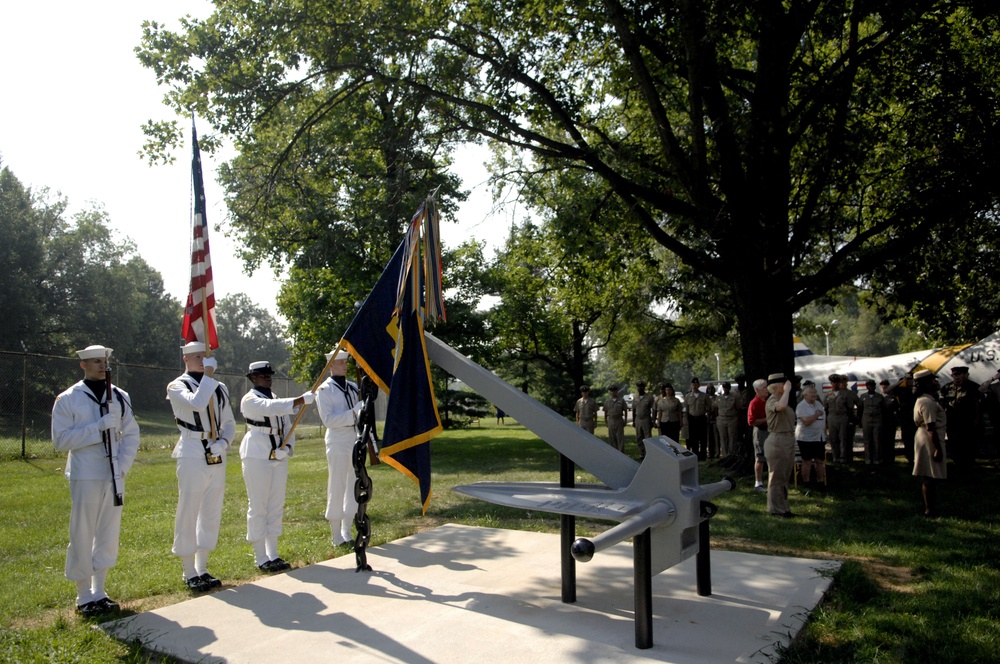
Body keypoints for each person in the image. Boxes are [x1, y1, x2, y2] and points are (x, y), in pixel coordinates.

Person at [52, 345, 140, 615]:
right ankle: (83, 595)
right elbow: (61, 440)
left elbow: (132, 434)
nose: (102, 366)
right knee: (82, 531)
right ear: (83, 365)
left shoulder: (119, 396)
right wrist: (96, 428)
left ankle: (100, 590)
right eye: (95, 362)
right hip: (86, 472)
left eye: (104, 361)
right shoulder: (68, 399)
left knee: (107, 533)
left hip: (113, 474)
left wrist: (122, 465)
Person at [166, 341, 236, 592]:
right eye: (196, 357)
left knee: (211, 510)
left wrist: (225, 441)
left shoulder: (219, 387)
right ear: (185, 359)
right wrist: (208, 376)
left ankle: (203, 566)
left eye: (205, 356)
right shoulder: (176, 386)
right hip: (193, 449)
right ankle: (188, 570)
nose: (202, 360)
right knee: (189, 509)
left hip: (216, 449)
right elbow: (195, 403)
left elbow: (229, 421)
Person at [239, 361, 314, 573]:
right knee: (258, 505)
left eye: (269, 375)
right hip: (257, 452)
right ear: (253, 378)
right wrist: (299, 400)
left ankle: (273, 553)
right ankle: (260, 556)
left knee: (275, 505)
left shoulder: (275, 398)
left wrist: (287, 446)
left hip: (277, 453)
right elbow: (269, 409)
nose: (268, 378)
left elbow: (287, 425)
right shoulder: (250, 399)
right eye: (263, 375)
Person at [316, 348, 363, 546]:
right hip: (337, 440)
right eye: (341, 362)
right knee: (337, 485)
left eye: (346, 362)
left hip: (354, 438)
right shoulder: (324, 390)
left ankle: (347, 531)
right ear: (331, 366)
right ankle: (336, 535)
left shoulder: (352, 387)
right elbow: (329, 420)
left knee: (353, 484)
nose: (345, 365)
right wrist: (353, 413)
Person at [912, 369, 947, 516]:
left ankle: (930, 508)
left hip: (926, 436)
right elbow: (931, 427)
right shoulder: (927, 402)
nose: (937, 382)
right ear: (927, 384)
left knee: (930, 475)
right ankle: (929, 510)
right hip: (929, 438)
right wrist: (937, 449)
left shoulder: (926, 400)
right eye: (933, 380)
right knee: (929, 476)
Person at [764, 374, 796, 517]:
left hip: (787, 438)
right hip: (777, 439)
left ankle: (783, 506)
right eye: (783, 383)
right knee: (776, 476)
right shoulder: (772, 400)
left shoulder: (783, 399)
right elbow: (780, 407)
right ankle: (775, 509)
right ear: (777, 386)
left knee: (784, 475)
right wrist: (788, 390)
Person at [939, 366, 980, 469]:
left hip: (967, 421)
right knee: (954, 442)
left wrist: (976, 419)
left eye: (959, 374)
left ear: (964, 375)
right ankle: (957, 463)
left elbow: (977, 405)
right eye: (955, 375)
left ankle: (969, 464)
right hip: (952, 421)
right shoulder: (947, 388)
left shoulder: (973, 387)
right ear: (952, 375)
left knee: (968, 444)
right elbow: (942, 403)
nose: (957, 377)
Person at [795, 384, 826, 486]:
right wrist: (816, 415)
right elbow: (806, 421)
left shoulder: (818, 404)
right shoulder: (801, 406)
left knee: (820, 460)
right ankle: (806, 483)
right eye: (811, 393)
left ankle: (820, 482)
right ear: (805, 395)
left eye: (815, 393)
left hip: (819, 437)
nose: (814, 395)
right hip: (806, 438)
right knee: (807, 461)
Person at [825, 374, 854, 463]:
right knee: (833, 438)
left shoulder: (845, 394)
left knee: (843, 438)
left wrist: (850, 420)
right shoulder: (828, 395)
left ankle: (843, 457)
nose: (835, 384)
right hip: (831, 417)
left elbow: (850, 408)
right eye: (833, 382)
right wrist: (826, 422)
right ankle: (835, 456)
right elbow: (825, 408)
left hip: (842, 417)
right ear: (831, 383)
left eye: (837, 382)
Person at [747, 378, 769, 491]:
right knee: (760, 457)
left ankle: (771, 481)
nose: (767, 389)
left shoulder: (767, 401)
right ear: (757, 390)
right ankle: (758, 483)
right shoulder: (754, 403)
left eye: (766, 387)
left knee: (770, 456)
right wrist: (766, 419)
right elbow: (751, 421)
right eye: (764, 387)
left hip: (769, 430)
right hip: (760, 431)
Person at [858, 379, 885, 465]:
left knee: (877, 440)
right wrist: (860, 421)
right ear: (867, 387)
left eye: (872, 385)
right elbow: (860, 409)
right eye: (869, 385)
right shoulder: (863, 396)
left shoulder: (879, 397)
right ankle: (868, 459)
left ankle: (877, 459)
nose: (871, 387)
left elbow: (883, 409)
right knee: (867, 440)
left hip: (877, 419)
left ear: (874, 386)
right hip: (866, 419)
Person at [683, 377, 710, 460]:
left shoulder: (704, 396)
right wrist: (686, 420)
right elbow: (686, 409)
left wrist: (708, 417)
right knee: (693, 438)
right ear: (691, 386)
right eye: (693, 384)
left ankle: (703, 455)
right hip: (692, 418)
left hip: (701, 418)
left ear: (698, 385)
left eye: (696, 384)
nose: (694, 386)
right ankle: (695, 454)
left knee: (702, 438)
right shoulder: (688, 396)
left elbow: (708, 407)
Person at [632, 380, 656, 458]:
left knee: (647, 436)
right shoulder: (635, 397)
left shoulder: (649, 397)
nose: (640, 388)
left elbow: (654, 409)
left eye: (641, 387)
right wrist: (633, 421)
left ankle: (649, 452)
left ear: (644, 388)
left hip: (646, 419)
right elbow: (634, 409)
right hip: (638, 419)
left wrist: (653, 420)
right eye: (638, 387)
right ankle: (642, 452)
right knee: (639, 437)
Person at [715, 382, 738, 458]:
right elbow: (715, 407)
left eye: (727, 387)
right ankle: (725, 455)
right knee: (723, 437)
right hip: (721, 419)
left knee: (732, 437)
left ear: (729, 388)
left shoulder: (734, 397)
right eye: (724, 387)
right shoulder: (719, 398)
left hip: (731, 418)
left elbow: (738, 407)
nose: (725, 389)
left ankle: (732, 455)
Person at [603, 384, 627, 452]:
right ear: (610, 392)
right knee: (612, 437)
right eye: (611, 391)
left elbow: (625, 410)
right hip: (611, 420)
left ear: (617, 391)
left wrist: (625, 420)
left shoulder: (621, 400)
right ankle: (613, 452)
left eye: (614, 391)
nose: (613, 392)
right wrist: (606, 422)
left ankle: (621, 452)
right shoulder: (607, 401)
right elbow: (605, 412)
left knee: (620, 437)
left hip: (619, 419)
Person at [879, 379, 898, 462]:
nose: (884, 386)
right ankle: (883, 457)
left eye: (886, 385)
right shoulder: (879, 397)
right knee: (881, 440)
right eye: (882, 385)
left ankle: (890, 458)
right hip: (881, 421)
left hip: (890, 421)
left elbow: (897, 409)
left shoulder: (894, 397)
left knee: (890, 440)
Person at [705, 383, 719, 458]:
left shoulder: (717, 398)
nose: (710, 390)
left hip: (715, 419)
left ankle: (717, 452)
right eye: (709, 388)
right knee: (708, 437)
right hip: (707, 420)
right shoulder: (705, 397)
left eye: (712, 388)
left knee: (716, 437)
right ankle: (710, 453)